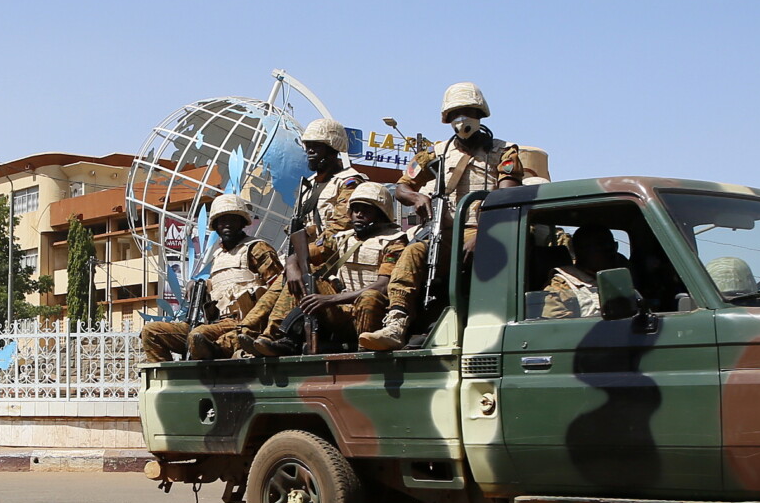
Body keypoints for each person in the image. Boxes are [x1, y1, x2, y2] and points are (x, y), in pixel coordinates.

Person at [362, 82, 526, 351]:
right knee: (413, 251)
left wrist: (484, 235)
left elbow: (507, 195)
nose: (461, 119)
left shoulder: (504, 152)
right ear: (447, 119)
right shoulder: (435, 153)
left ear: (480, 113)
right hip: (443, 233)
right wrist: (417, 197)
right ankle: (397, 322)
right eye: (454, 113)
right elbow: (402, 187)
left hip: (483, 230)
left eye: (467, 111)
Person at [245, 186, 410, 354]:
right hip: (340, 311)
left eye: (366, 210)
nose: (359, 215)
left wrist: (330, 299)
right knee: (304, 280)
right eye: (355, 210)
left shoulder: (394, 241)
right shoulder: (341, 239)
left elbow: (383, 285)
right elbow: (300, 254)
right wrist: (292, 267)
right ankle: (277, 337)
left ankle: (364, 349)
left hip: (371, 313)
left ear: (381, 214)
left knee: (370, 296)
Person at [140, 194, 282, 362]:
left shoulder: (257, 249)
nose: (227, 225)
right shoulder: (218, 256)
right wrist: (201, 286)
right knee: (151, 331)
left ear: (242, 222)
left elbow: (278, 289)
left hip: (244, 325)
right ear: (215, 226)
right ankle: (168, 380)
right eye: (222, 220)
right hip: (216, 323)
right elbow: (222, 289)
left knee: (198, 335)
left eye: (232, 219)